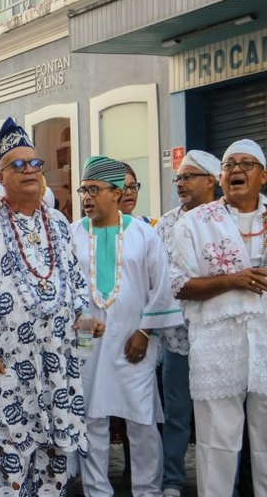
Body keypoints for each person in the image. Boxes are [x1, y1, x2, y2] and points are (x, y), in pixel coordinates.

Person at [0, 117, 92, 494]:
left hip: (58, 365)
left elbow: (77, 287)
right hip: (6, 366)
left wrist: (85, 322)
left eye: (35, 164)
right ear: (0, 177)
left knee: (57, 460)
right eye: (18, 164)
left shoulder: (60, 223)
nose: (29, 170)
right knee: (11, 463)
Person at [72, 156, 183, 497]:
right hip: (87, 342)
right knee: (92, 420)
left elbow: (161, 287)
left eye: (94, 189)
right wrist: (78, 319)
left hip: (135, 342)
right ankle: (96, 491)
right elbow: (66, 288)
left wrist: (145, 332)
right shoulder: (73, 235)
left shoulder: (144, 234)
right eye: (83, 190)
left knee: (141, 420)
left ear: (116, 194)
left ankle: (147, 491)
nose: (87, 197)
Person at [170, 139, 267, 496]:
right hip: (216, 345)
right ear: (220, 176)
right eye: (229, 165)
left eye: (247, 164)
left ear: (263, 175)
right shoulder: (194, 223)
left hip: (266, 342)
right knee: (216, 442)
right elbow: (178, 285)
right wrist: (232, 280)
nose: (237, 170)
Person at [155, 150, 219, 497]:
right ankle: (172, 481)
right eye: (178, 177)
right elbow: (159, 277)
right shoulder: (166, 223)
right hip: (178, 337)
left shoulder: (225, 219)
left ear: (211, 180)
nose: (180, 183)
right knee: (177, 414)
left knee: (218, 415)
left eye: (188, 177)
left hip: (219, 333)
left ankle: (225, 481)